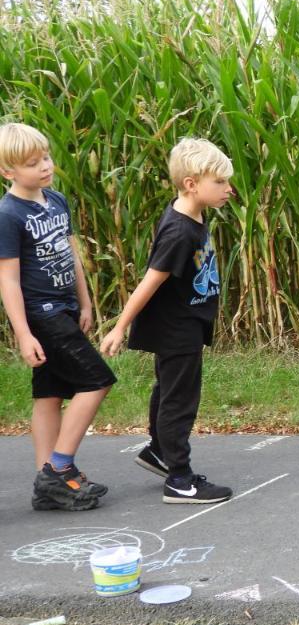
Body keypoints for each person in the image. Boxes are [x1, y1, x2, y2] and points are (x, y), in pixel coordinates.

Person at [100, 138, 235, 504]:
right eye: (220, 183)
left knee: (167, 391)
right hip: (177, 329)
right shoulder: (180, 231)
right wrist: (119, 327)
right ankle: (179, 478)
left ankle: (159, 451)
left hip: (181, 321)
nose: (228, 189)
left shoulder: (190, 212)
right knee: (180, 399)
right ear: (191, 184)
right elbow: (149, 281)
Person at [0, 122, 115, 511]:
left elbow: (72, 255)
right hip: (41, 314)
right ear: (8, 171)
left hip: (65, 307)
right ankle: (59, 467)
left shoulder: (57, 200)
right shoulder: (8, 214)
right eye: (33, 163)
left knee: (49, 394)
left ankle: (46, 482)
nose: (45, 166)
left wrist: (85, 303)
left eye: (46, 158)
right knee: (97, 380)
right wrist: (22, 333)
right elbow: (9, 278)